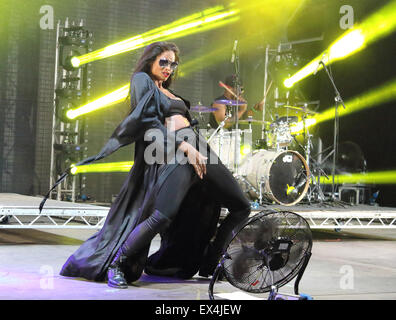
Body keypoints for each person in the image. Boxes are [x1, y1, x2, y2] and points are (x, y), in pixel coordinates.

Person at [41, 41, 251, 289]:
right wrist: (184, 146)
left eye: (173, 64)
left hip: (197, 146)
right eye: (163, 61)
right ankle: (117, 264)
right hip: (176, 149)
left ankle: (212, 263)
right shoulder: (142, 80)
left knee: (241, 206)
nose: (168, 67)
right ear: (150, 60)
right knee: (162, 215)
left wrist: (193, 144)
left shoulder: (168, 90)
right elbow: (148, 124)